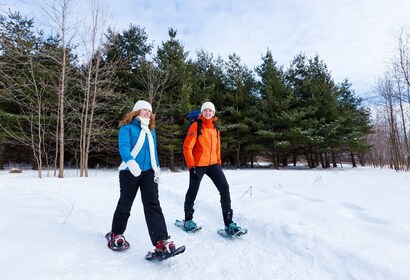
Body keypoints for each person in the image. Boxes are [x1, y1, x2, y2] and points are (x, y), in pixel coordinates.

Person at [106, 100, 176, 257]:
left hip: (149, 173)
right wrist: (130, 161)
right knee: (125, 202)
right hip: (129, 171)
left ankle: (161, 242)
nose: (147, 112)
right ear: (136, 111)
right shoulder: (127, 128)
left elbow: (154, 151)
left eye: (149, 111)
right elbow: (123, 146)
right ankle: (116, 234)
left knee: (153, 205)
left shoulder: (151, 130)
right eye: (144, 109)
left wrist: (157, 168)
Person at [182, 101, 245, 235]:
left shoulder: (215, 127)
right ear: (202, 112)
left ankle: (229, 223)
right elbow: (187, 147)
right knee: (193, 190)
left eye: (210, 111)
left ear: (214, 113)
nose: (208, 113)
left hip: (213, 164)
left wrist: (218, 161)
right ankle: (188, 220)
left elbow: (217, 147)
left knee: (224, 188)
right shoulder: (196, 125)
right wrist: (191, 166)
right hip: (198, 164)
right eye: (205, 110)